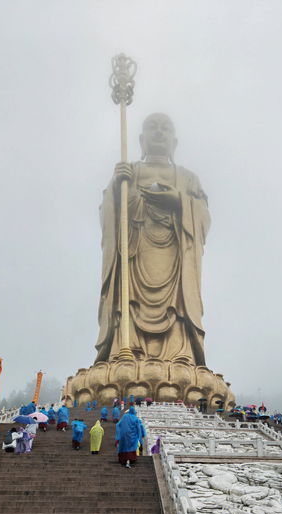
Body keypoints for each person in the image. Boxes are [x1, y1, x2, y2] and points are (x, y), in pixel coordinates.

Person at [95, 113, 211, 366]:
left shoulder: (187, 177)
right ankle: (127, 350)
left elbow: (203, 217)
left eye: (165, 128)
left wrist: (181, 202)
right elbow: (107, 216)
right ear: (140, 139)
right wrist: (116, 187)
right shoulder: (129, 173)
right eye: (152, 128)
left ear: (175, 142)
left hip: (175, 258)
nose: (159, 132)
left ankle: (179, 354)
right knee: (128, 299)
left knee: (178, 305)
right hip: (135, 255)